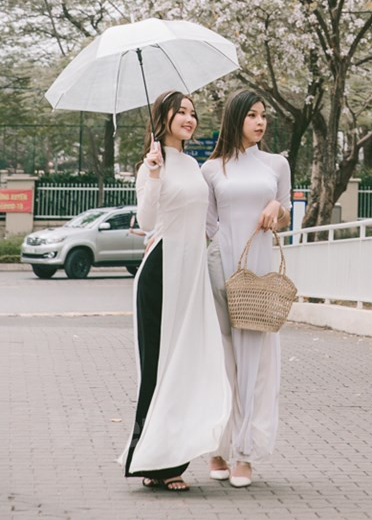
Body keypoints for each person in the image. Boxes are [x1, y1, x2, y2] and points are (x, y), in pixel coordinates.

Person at [122, 91, 231, 492]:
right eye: (181, 112)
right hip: (161, 271)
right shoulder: (154, 164)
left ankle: (173, 459)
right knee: (158, 365)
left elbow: (205, 221)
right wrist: (152, 172)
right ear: (163, 117)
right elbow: (148, 219)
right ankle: (152, 461)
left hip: (192, 272)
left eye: (193, 113)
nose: (189, 118)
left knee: (187, 363)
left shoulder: (193, 165)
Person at [202, 89, 291, 489]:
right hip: (221, 267)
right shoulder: (211, 169)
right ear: (235, 118)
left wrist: (277, 209)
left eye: (264, 115)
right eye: (252, 115)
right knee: (222, 359)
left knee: (255, 360)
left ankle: (245, 453)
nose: (260, 122)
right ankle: (218, 446)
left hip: (257, 270)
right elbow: (205, 224)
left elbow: (286, 216)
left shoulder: (276, 164)